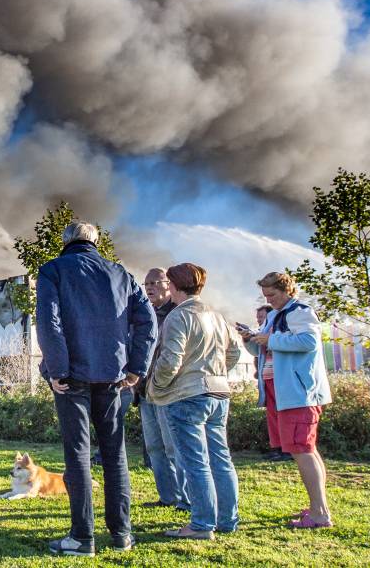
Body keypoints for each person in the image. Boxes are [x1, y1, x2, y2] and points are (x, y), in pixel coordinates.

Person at [37, 221, 157, 556]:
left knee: (77, 454)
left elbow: (49, 321)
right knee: (115, 454)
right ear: (96, 241)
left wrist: (57, 370)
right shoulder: (120, 274)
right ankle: (122, 535)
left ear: (65, 241)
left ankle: (82, 537)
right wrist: (136, 367)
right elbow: (148, 321)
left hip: (72, 377)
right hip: (114, 376)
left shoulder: (52, 271)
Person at [148, 263, 248, 540]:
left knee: (195, 462)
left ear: (174, 285)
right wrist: (217, 372)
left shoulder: (178, 317)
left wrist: (155, 387)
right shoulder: (216, 316)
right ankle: (227, 520)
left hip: (187, 396)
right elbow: (235, 351)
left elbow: (170, 361)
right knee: (221, 459)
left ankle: (202, 524)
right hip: (218, 393)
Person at [251, 271, 334, 528]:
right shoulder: (276, 315)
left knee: (302, 449)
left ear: (287, 290)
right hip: (279, 391)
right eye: (265, 295)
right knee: (305, 449)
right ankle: (317, 507)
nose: (269, 300)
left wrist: (271, 338)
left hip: (298, 393)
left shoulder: (300, 311)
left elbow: (308, 341)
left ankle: (320, 514)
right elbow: (266, 346)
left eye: (272, 295)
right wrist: (251, 338)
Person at [136, 268, 190, 512]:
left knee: (172, 446)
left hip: (168, 390)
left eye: (155, 282)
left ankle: (186, 499)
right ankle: (167, 496)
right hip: (145, 390)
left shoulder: (177, 314)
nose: (150, 287)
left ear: (169, 285)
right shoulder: (144, 313)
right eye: (146, 283)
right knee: (155, 447)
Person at [241, 304, 289, 461]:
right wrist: (247, 338)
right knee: (272, 414)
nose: (260, 320)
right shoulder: (263, 332)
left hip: (280, 376)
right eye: (258, 318)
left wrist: (266, 339)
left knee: (283, 413)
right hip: (267, 377)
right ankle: (277, 447)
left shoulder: (280, 327)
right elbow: (256, 351)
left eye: (262, 317)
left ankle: (287, 448)